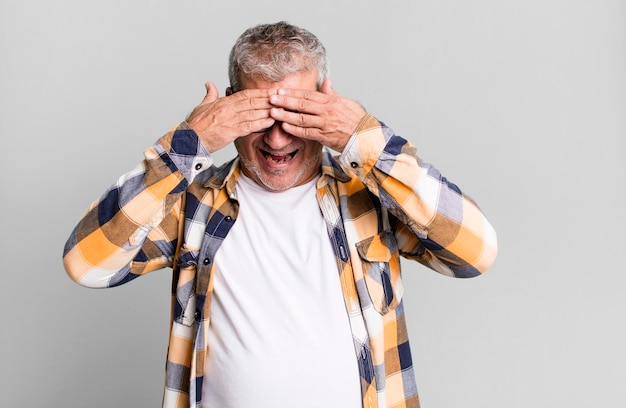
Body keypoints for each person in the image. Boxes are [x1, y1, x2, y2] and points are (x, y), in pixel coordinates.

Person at [63, 21, 497, 408]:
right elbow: (86, 264)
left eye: (296, 114)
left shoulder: (369, 194)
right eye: (258, 114)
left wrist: (366, 142)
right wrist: (187, 146)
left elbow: (476, 252)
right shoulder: (193, 203)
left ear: (325, 104)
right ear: (229, 109)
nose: (276, 138)